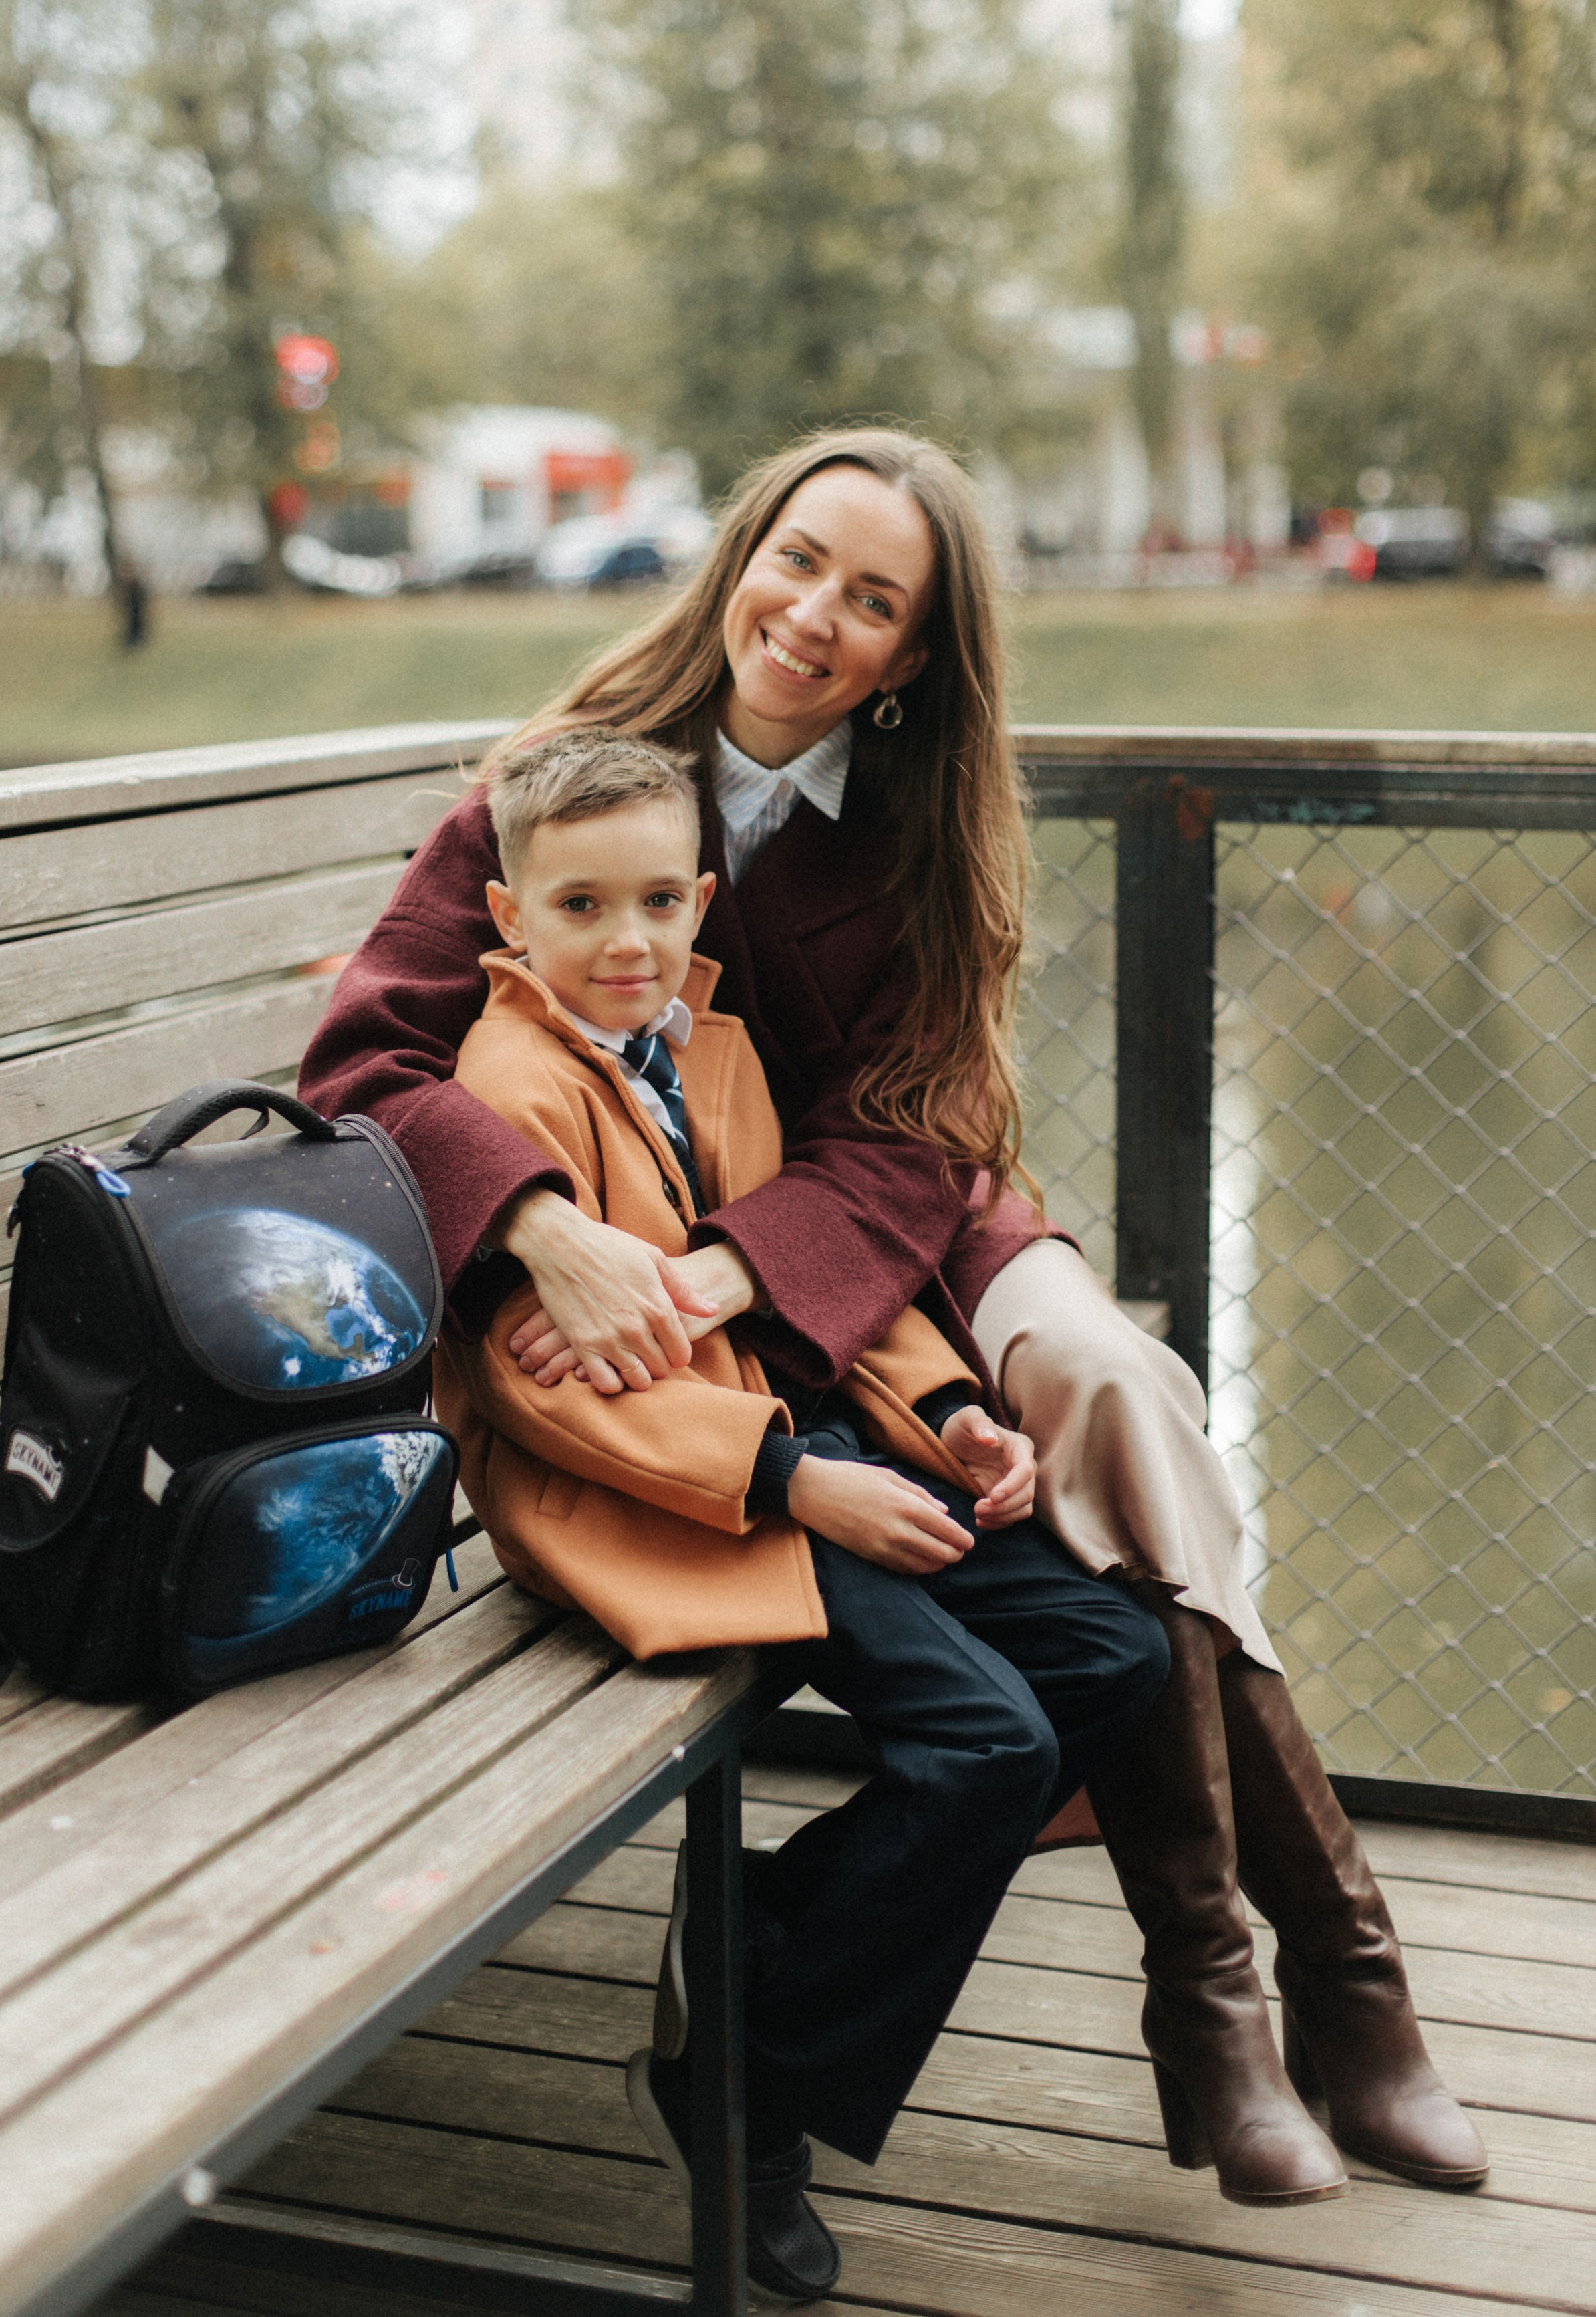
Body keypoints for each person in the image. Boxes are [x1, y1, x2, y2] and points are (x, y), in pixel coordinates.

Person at [300, 426, 1486, 2211]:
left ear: (916, 652)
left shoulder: (920, 826)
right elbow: (374, 1051)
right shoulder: (564, 793)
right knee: (1046, 1644)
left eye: (872, 600)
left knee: (1109, 1390)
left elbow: (919, 1131)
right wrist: (547, 1234)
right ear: (737, 557)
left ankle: (1302, 1989)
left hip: (883, 1223)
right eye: (797, 562)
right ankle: (1248, 1998)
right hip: (688, 1306)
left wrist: (762, 1293)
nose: (813, 616)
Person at [434, 725, 1170, 2302]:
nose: (623, 942)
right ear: (509, 920)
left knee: (1110, 1656)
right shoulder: (508, 1093)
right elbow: (531, 1385)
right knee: (986, 1743)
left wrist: (953, 1414)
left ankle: (752, 1931)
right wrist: (797, 1483)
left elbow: (835, 1290)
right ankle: (748, 2095)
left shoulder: (718, 1050)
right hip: (669, 1496)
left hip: (813, 1442)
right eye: (577, 908)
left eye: (653, 902)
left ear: (702, 901)